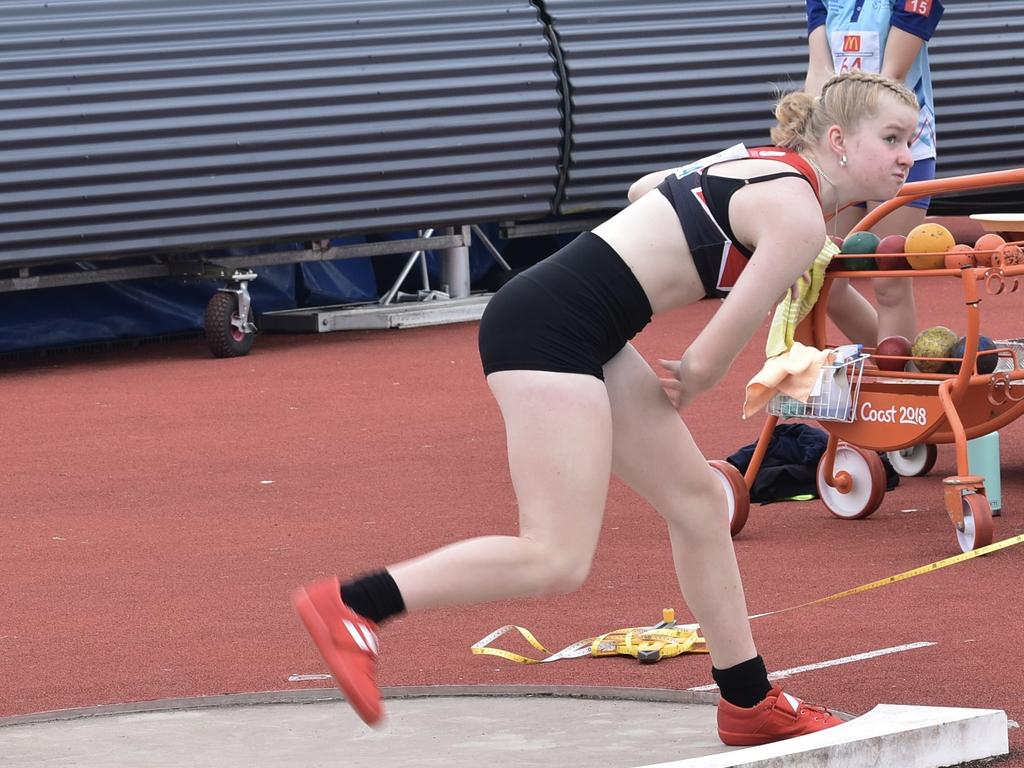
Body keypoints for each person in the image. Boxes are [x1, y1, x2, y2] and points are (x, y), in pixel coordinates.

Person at [292, 70, 919, 746]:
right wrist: (697, 377)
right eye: (891, 139)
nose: (908, 155)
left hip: (578, 324)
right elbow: (713, 353)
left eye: (913, 139)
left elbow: (644, 189)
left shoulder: (758, 167)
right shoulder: (796, 217)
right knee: (555, 557)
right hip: (549, 330)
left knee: (701, 503)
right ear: (838, 141)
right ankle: (354, 605)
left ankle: (747, 701)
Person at [805, 0, 944, 346]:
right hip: (842, 150)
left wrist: (861, 138)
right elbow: (819, 73)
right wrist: (811, 135)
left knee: (888, 279)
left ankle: (900, 385)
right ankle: (893, 364)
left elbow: (892, 78)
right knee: (820, 275)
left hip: (901, 149)